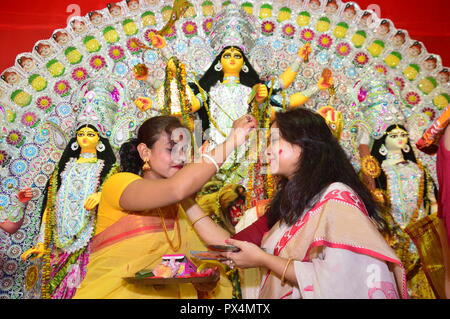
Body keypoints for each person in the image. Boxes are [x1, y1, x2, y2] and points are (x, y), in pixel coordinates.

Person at [180, 108, 407, 299]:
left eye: (275, 141)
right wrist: (183, 196)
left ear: (306, 146)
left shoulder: (337, 198)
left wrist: (263, 259)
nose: (267, 150)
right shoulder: (291, 207)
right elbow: (229, 245)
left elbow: (342, 279)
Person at [73, 114, 257, 299]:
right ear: (145, 152)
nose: (181, 157)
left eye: (185, 150)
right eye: (171, 149)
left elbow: (225, 246)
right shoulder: (120, 184)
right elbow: (175, 189)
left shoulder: (180, 202)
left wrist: (203, 281)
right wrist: (232, 140)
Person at [20, 79, 120, 299]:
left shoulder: (110, 171)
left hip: (92, 243)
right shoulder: (64, 169)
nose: (85, 138)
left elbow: (121, 199)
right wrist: (41, 242)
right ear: (75, 139)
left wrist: (104, 194)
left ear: (100, 139)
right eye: (81, 134)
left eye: (91, 134)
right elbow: (50, 206)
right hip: (59, 243)